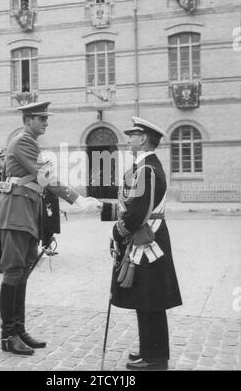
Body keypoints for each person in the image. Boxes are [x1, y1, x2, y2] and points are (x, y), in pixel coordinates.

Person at [0, 101, 101, 356]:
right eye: (41, 118)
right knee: (14, 272)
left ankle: (19, 329)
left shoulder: (29, 142)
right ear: (28, 120)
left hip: (26, 213)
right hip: (15, 213)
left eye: (46, 118)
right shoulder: (23, 141)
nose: (46, 122)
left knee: (23, 272)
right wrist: (78, 199)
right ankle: (8, 335)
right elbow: (45, 178)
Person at [101, 117, 182, 371]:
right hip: (144, 239)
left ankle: (156, 358)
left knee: (151, 299)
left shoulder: (147, 169)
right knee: (145, 297)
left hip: (149, 241)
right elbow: (131, 205)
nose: (128, 137)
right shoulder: (144, 167)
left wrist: (117, 231)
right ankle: (149, 349)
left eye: (132, 133)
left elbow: (136, 213)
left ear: (144, 138)